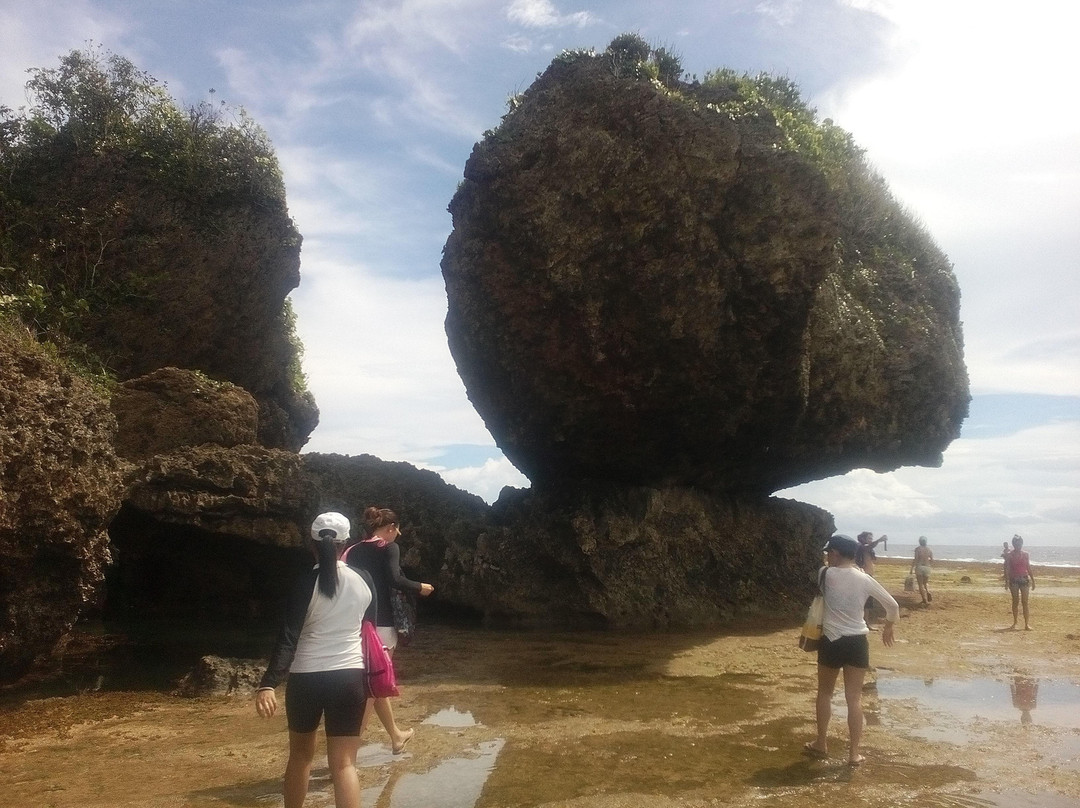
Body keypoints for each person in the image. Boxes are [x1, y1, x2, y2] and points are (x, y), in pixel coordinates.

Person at [255, 512, 377, 808]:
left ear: (312, 543)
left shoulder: (303, 583)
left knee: (299, 757)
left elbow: (288, 637)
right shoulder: (363, 580)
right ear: (346, 543)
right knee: (344, 764)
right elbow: (369, 628)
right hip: (349, 678)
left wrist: (268, 684)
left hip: (306, 679)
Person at [345, 506, 435, 755]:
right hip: (382, 624)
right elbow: (395, 578)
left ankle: (396, 736)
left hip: (355, 624)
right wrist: (420, 587)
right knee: (371, 691)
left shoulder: (350, 550)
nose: (397, 536)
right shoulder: (388, 547)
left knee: (376, 682)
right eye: (397, 530)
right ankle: (346, 754)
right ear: (390, 528)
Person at [804, 534, 899, 767]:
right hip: (857, 641)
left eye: (829, 552)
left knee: (824, 693)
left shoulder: (824, 574)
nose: (826, 556)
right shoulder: (864, 578)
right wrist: (888, 626)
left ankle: (821, 743)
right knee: (854, 699)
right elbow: (893, 605)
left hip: (830, 640)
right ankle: (854, 754)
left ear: (835, 553)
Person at [1004, 534, 1035, 630]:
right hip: (1014, 580)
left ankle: (1026, 624)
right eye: (1017, 544)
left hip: (1024, 579)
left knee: (1025, 602)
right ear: (1014, 544)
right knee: (1015, 601)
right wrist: (1006, 581)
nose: (1019, 546)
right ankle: (1015, 622)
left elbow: (1028, 567)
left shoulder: (1025, 554)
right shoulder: (1009, 555)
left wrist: (1033, 580)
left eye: (1020, 544)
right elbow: (1007, 569)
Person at [910, 536, 934, 604]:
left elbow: (916, 559)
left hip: (920, 567)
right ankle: (928, 592)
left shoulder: (918, 549)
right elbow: (932, 560)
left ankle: (924, 599)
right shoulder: (929, 550)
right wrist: (929, 565)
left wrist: (911, 568)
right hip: (927, 567)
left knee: (920, 584)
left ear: (919, 542)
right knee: (925, 583)